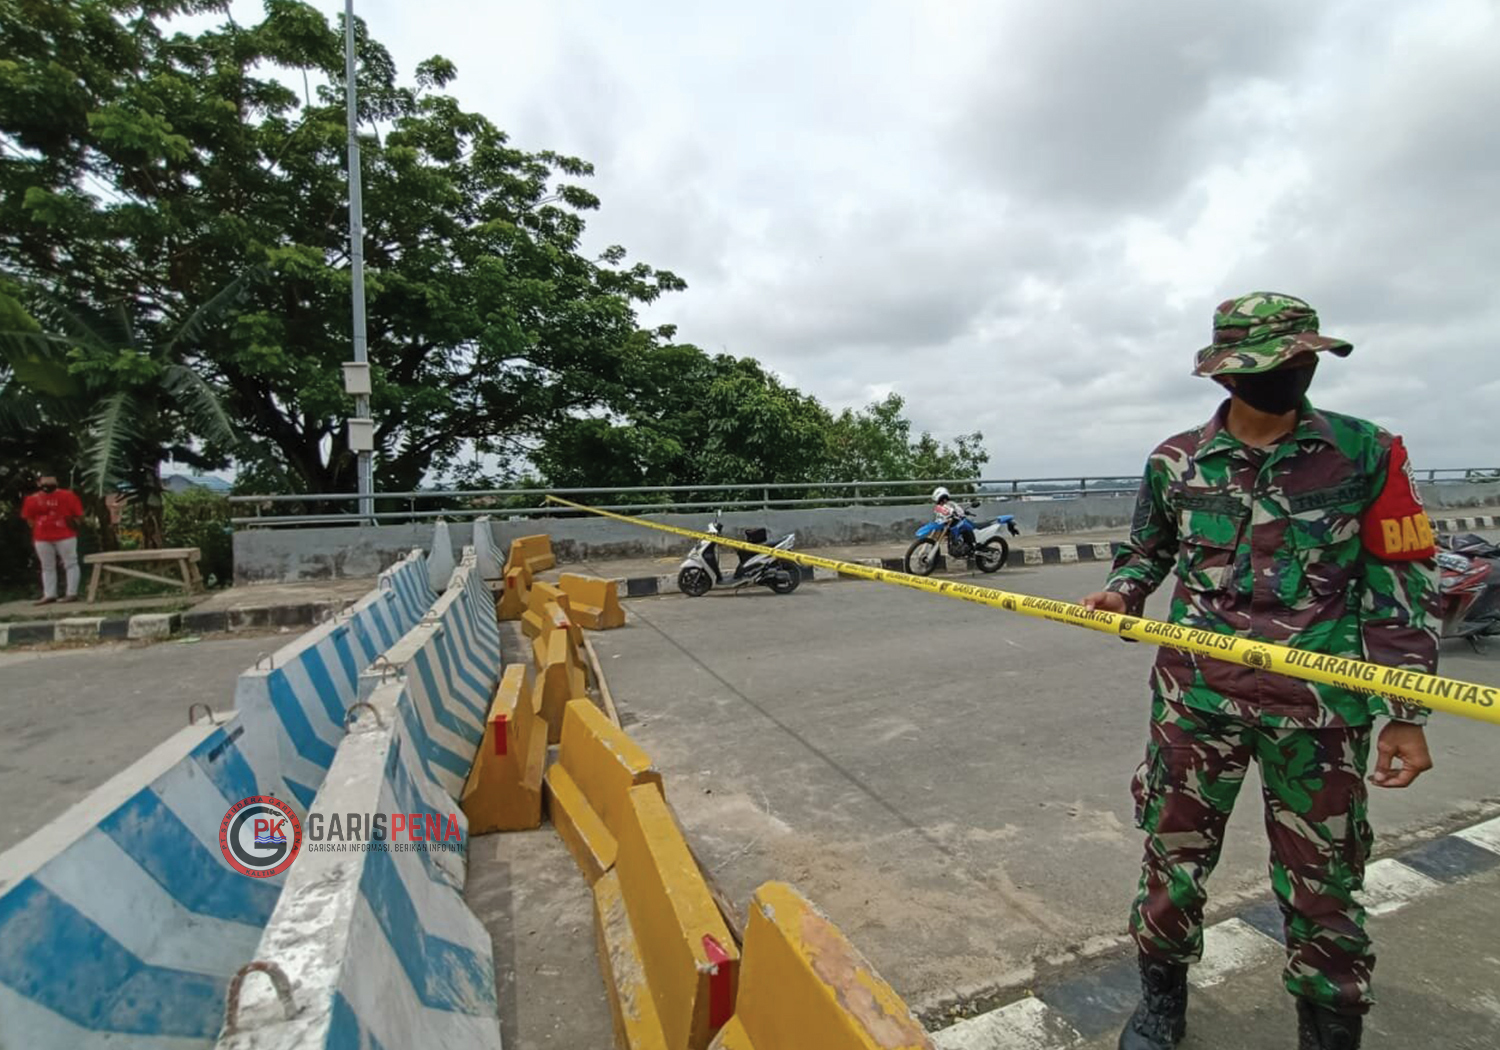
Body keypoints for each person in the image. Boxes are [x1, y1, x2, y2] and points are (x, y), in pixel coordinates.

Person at [1080, 292, 1439, 1050]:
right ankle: (1160, 1002)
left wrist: (1407, 711)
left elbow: (1399, 581)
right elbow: (1148, 550)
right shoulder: (1175, 461)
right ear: (1226, 377)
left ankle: (1330, 1024)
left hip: (1319, 712)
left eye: (1304, 358)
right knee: (1171, 859)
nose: (1296, 371)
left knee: (1326, 884)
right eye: (1277, 363)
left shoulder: (1367, 452)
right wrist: (1123, 590)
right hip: (1196, 699)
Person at [21, 472, 84, 604]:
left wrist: (73, 527)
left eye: (51, 480)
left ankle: (72, 593)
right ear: (39, 483)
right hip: (42, 537)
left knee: (70, 563)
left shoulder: (68, 495)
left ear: (56, 482)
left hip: (65, 535)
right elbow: (29, 519)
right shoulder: (31, 499)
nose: (48, 483)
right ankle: (49, 594)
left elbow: (78, 515)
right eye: (45, 481)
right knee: (47, 566)